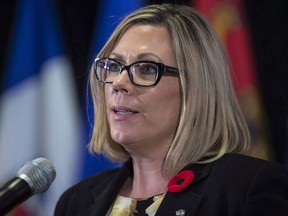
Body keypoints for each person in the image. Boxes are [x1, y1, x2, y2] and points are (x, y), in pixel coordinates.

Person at [54, 3, 288, 216]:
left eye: (146, 68)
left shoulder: (247, 189)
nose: (118, 83)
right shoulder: (76, 202)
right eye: (114, 66)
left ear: (195, 88)